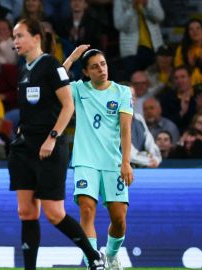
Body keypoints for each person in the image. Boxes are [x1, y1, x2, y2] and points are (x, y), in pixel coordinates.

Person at [9, 19, 105, 270]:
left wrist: (51, 138)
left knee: (54, 213)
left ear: (36, 37)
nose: (15, 42)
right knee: (26, 213)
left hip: (48, 148)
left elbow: (68, 105)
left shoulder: (51, 65)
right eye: (14, 37)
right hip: (23, 148)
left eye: (19, 36)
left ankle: (94, 256)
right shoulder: (26, 69)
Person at [63, 45, 134, 270]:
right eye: (94, 67)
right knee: (86, 209)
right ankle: (93, 261)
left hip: (113, 163)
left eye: (102, 64)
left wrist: (125, 162)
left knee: (119, 219)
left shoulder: (122, 92)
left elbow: (125, 131)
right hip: (85, 161)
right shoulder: (78, 90)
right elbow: (55, 81)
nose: (101, 69)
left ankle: (111, 256)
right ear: (86, 72)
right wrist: (73, 57)